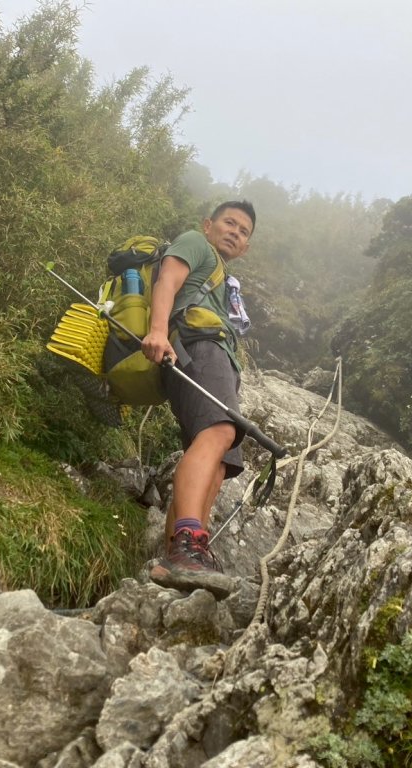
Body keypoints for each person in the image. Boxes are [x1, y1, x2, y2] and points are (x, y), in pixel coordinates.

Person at [140, 200, 256, 594]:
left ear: (245, 246)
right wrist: (158, 331)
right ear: (208, 225)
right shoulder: (194, 243)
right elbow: (167, 280)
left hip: (217, 357)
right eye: (229, 223)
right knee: (220, 430)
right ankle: (186, 546)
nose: (235, 232)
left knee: (220, 460)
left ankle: (186, 554)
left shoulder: (224, 278)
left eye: (243, 231)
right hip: (197, 347)